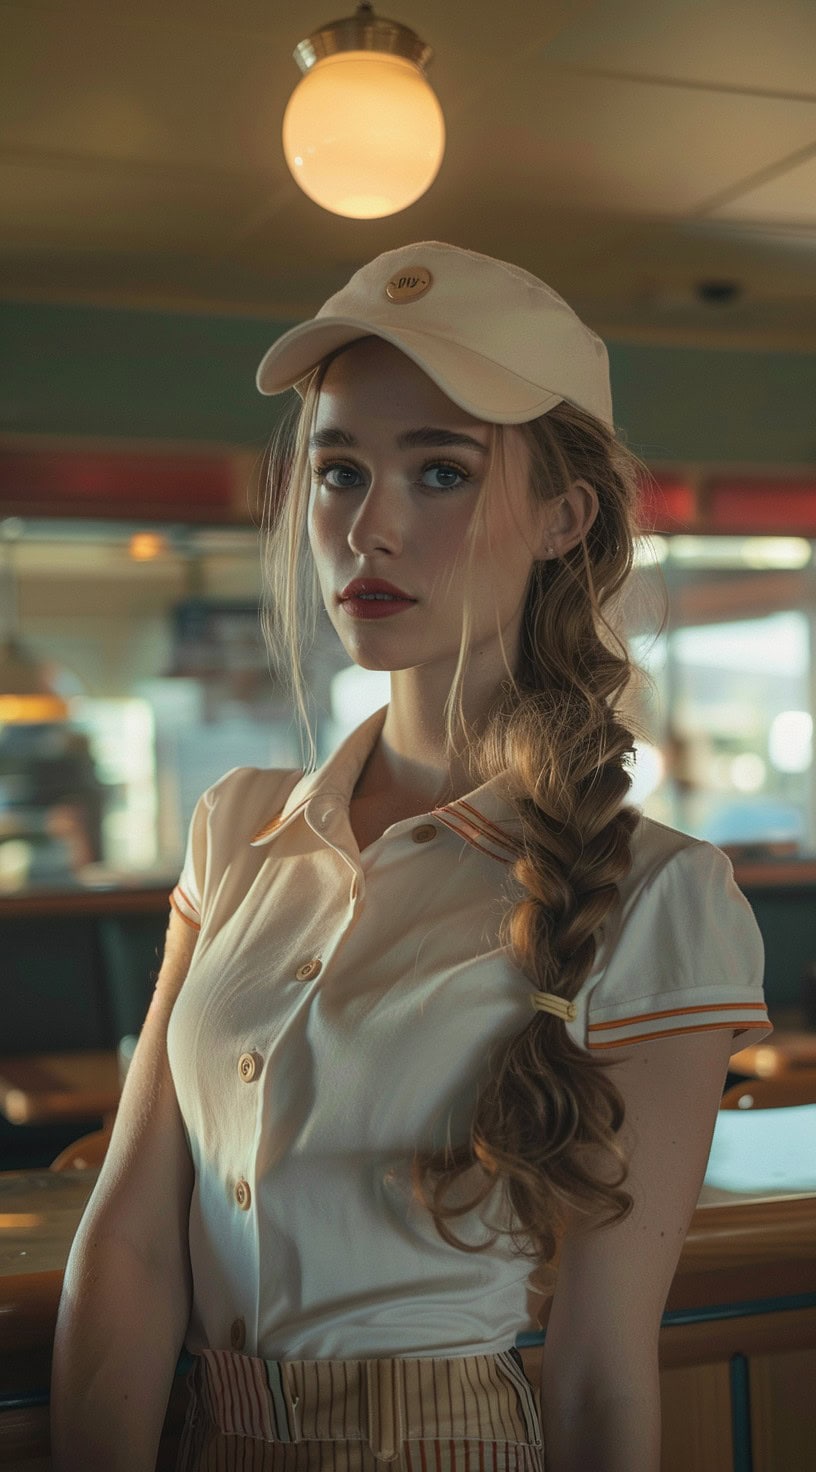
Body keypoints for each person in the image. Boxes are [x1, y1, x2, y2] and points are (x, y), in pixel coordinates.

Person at [50, 242, 772, 1472]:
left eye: (439, 470)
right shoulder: (237, 828)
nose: (367, 526)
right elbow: (127, 1233)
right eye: (339, 471)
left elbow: (600, 1370)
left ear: (566, 517)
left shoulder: (660, 894)